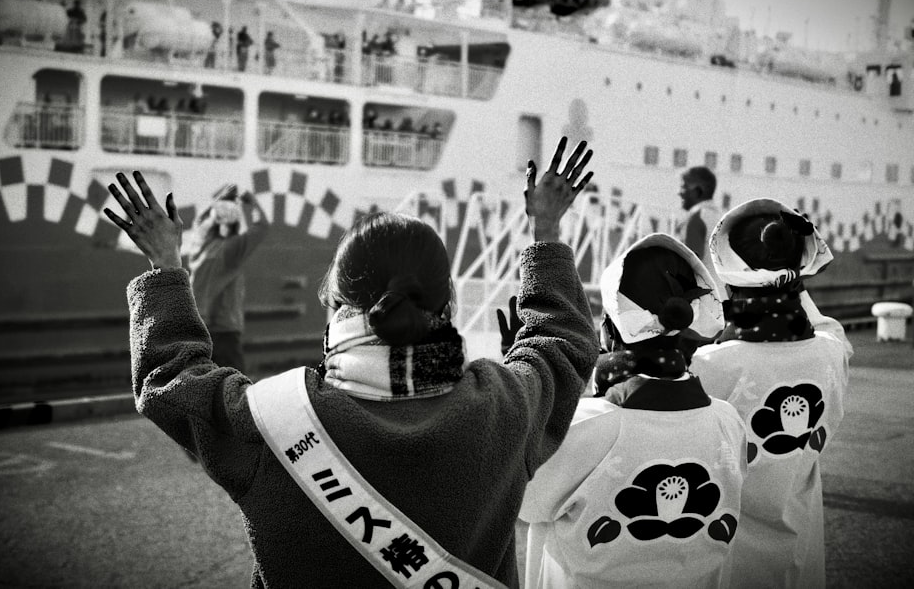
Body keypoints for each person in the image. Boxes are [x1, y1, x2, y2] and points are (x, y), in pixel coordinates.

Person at [103, 138, 598, 587]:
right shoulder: (506, 409)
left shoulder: (273, 420)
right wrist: (546, 228)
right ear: (447, 302)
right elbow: (562, 341)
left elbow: (170, 378)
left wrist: (165, 265)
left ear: (335, 304)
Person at [517, 234, 746, 588]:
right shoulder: (728, 421)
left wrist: (530, 386)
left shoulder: (581, 426)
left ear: (609, 331)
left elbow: (523, 499)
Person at [689, 198, 852, 589]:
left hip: (728, 558)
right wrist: (790, 269)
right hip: (801, 549)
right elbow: (823, 323)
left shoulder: (706, 367)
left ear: (729, 276)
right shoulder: (832, 352)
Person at [181, 185, 269, 372]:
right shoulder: (231, 250)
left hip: (196, 329)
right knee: (236, 391)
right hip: (223, 332)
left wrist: (219, 200)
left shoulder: (198, 244)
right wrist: (252, 202)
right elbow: (262, 227)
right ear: (235, 224)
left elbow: (200, 221)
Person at [677, 166, 723, 299]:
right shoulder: (720, 218)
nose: (679, 193)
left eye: (684, 187)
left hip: (704, 300)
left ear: (697, 192)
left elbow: (691, 265)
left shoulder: (696, 219)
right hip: (723, 295)